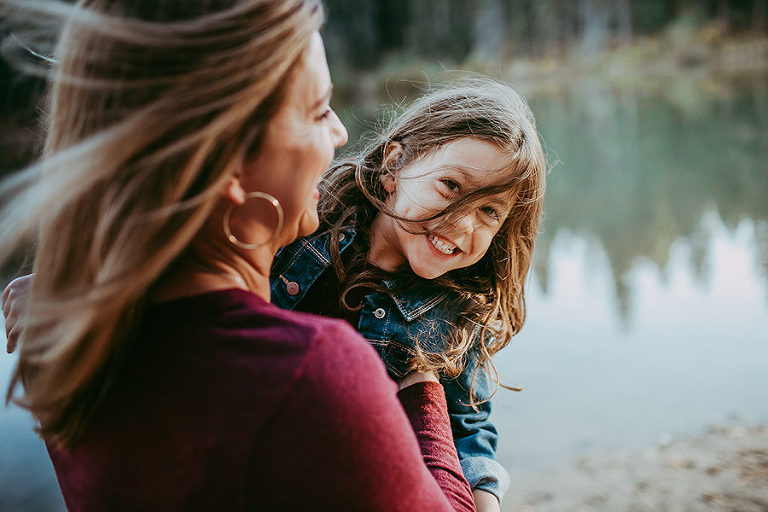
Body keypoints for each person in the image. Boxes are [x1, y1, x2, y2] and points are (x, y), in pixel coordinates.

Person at [0, 0, 477, 510]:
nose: (341, 134)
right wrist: (424, 393)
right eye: (319, 111)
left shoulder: (56, 333)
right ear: (228, 161)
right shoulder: (308, 376)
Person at [270, 79, 546, 510]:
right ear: (395, 165)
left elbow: (467, 429)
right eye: (451, 186)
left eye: (489, 211)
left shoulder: (459, 313)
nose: (462, 224)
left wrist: (485, 500)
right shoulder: (308, 223)